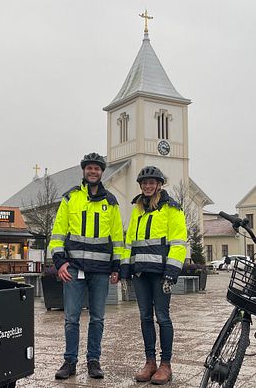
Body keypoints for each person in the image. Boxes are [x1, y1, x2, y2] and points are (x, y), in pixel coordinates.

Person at [48, 152, 125, 380]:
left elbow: (117, 238)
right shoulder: (70, 198)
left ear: (102, 172)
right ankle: (69, 362)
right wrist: (60, 263)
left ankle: (94, 361)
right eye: (89, 168)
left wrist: (116, 266)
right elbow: (58, 234)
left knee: (98, 318)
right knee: (71, 318)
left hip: (100, 271)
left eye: (97, 168)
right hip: (73, 270)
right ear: (84, 171)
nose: (93, 171)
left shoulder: (111, 202)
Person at [120, 165, 187, 385]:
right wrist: (125, 269)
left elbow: (178, 244)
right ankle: (150, 362)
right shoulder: (137, 210)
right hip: (140, 274)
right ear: (140, 186)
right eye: (144, 183)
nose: (148, 186)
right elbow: (130, 243)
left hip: (160, 275)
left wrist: (171, 272)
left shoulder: (172, 209)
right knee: (145, 317)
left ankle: (165, 364)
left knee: (163, 317)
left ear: (159, 185)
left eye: (152, 182)